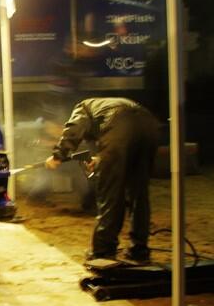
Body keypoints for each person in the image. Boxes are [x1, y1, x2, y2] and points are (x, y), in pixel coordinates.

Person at [45, 97, 160, 262]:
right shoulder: (104, 107)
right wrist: (101, 159)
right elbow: (111, 141)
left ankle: (103, 251)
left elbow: (74, 128)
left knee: (111, 192)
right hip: (149, 124)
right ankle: (140, 250)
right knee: (139, 193)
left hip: (119, 123)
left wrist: (58, 155)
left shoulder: (83, 107)